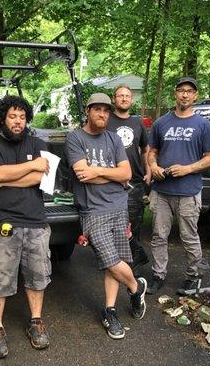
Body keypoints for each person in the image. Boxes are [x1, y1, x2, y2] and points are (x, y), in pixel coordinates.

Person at [65, 93, 147, 340]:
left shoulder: (113, 138)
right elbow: (82, 175)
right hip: (93, 209)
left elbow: (126, 173)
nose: (103, 114)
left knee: (117, 259)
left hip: (119, 206)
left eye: (106, 111)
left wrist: (98, 172)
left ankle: (109, 310)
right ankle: (136, 286)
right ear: (88, 111)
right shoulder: (75, 138)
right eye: (98, 109)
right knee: (110, 259)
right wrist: (113, 175)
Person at [0, 95, 51, 359]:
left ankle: (36, 321)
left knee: (38, 275)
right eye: (12, 116)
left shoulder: (40, 143)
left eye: (22, 116)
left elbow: (43, 180)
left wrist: (6, 178)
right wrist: (31, 167)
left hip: (35, 220)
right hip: (0, 220)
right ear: (2, 119)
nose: (18, 121)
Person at [146, 77, 210, 295]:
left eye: (189, 91)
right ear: (175, 94)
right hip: (161, 192)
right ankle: (158, 274)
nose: (185, 95)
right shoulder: (161, 123)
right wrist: (154, 167)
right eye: (181, 90)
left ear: (195, 96)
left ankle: (194, 276)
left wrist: (187, 169)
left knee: (189, 236)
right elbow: (152, 152)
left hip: (188, 191)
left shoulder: (203, 125)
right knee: (159, 236)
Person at [106, 85, 151, 272]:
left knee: (134, 223)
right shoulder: (107, 121)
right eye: (120, 96)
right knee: (111, 222)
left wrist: (148, 171)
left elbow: (145, 149)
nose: (124, 99)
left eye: (127, 96)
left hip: (135, 182)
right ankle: (113, 261)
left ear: (131, 100)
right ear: (114, 99)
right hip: (111, 181)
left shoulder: (137, 123)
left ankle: (133, 262)